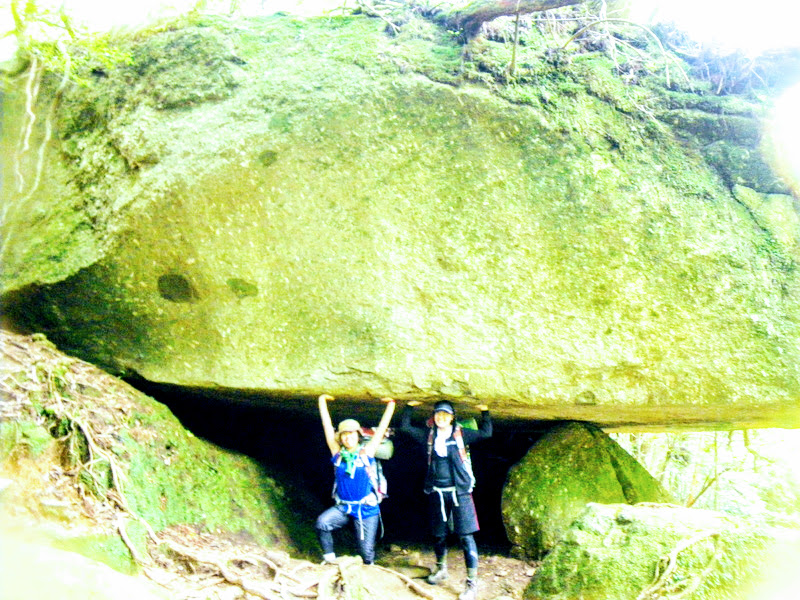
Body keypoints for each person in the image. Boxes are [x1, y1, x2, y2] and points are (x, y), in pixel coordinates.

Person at [400, 399, 492, 600]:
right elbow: (405, 427)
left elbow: (487, 433)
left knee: (466, 536)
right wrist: (409, 407)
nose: (441, 417)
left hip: (460, 492)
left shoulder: (461, 434)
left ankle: (471, 583)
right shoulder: (429, 435)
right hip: (437, 491)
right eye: (438, 414)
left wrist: (485, 412)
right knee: (439, 534)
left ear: (452, 417)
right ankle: (441, 569)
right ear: (433, 417)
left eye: (445, 414)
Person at [316, 393, 396, 565]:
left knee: (365, 553)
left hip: (366, 507)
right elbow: (327, 427)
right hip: (344, 506)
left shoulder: (366, 452)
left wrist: (391, 406)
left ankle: (369, 570)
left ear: (358, 435)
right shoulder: (337, 454)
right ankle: (330, 560)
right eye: (344, 435)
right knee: (323, 523)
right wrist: (321, 402)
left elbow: (381, 429)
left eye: (351, 434)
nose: (347, 437)